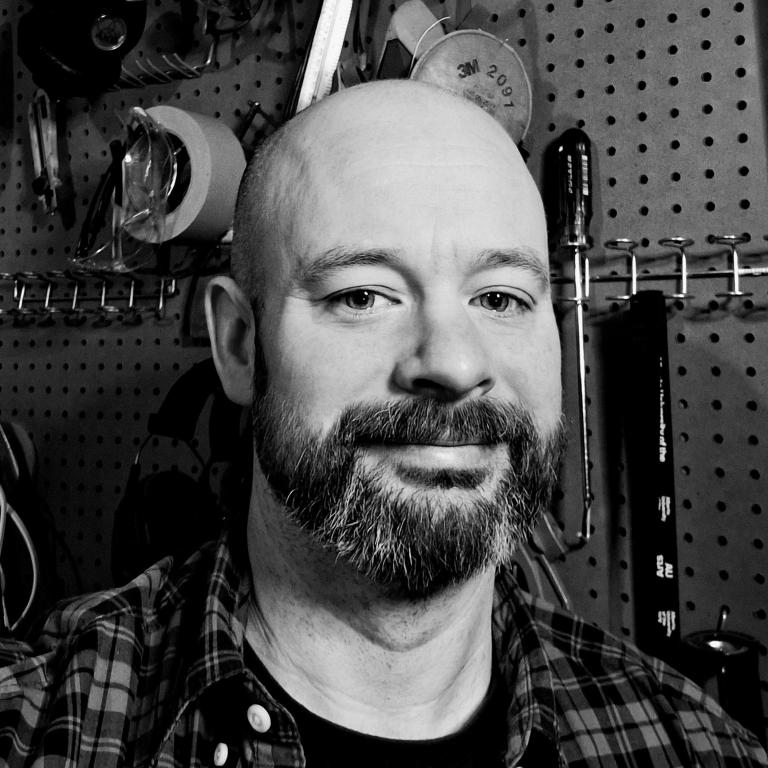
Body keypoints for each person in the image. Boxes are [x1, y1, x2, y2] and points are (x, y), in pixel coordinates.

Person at [0, 80, 765, 768]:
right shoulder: (42, 727)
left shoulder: (689, 745)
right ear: (239, 344)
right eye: (363, 295)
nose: (454, 364)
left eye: (501, 298)